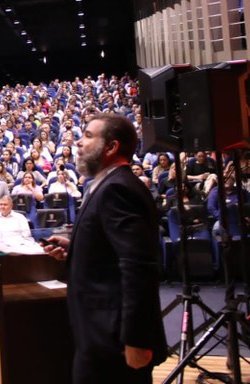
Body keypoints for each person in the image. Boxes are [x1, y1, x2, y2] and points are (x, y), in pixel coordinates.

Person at [43, 113, 167, 383]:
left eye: (88, 135)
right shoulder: (105, 185)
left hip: (114, 339)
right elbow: (110, 250)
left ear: (111, 147)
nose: (77, 142)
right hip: (98, 333)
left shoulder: (118, 189)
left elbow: (138, 267)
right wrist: (74, 247)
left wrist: (136, 339)